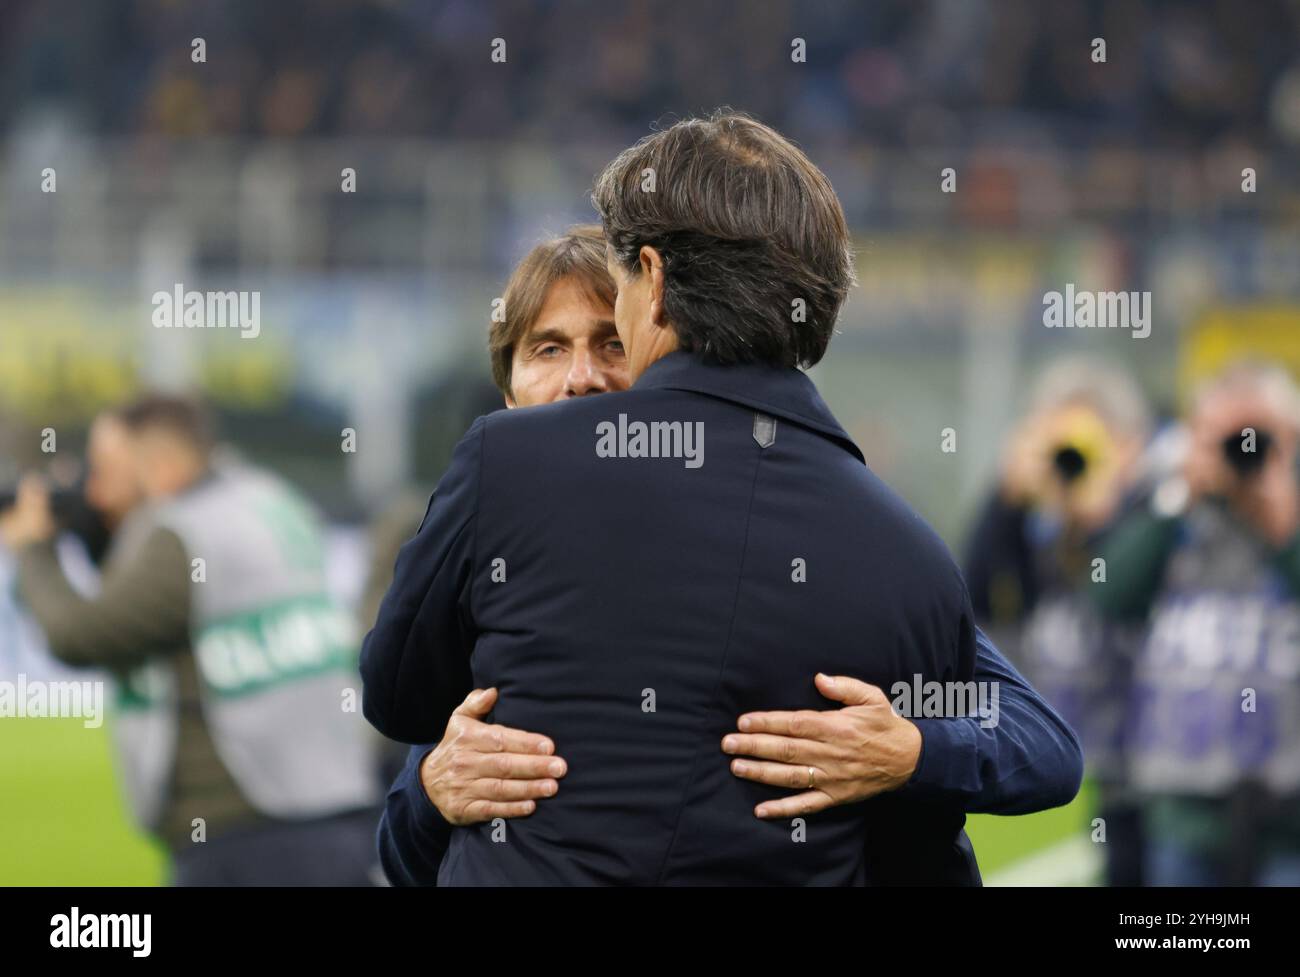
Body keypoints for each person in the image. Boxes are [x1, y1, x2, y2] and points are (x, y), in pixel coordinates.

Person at [361, 112, 1082, 884]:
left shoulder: (504, 467)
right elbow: (968, 811)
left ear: (656, 283)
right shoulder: (908, 554)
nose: (583, 379)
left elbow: (396, 702)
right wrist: (920, 754)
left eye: (611, 331)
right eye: (547, 349)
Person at [0, 395, 380, 884]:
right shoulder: (268, 498)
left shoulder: (179, 535)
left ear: (160, 468)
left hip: (242, 831)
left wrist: (35, 546)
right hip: (341, 809)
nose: (94, 491)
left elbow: (78, 635)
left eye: (106, 472)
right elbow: (163, 602)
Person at [1092, 360, 1300, 885]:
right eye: (1227, 438)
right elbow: (1106, 596)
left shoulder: (1290, 514)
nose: (1242, 453)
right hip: (1185, 805)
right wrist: (1182, 495)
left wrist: (1284, 528)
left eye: (1255, 436)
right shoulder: (1172, 514)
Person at [965, 357, 1151, 885]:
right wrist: (1006, 499)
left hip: (1134, 776)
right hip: (1061, 757)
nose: (1072, 467)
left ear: (1128, 447)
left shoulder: (1154, 517)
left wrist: (1108, 520)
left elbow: (1113, 598)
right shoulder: (1034, 529)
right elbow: (971, 602)